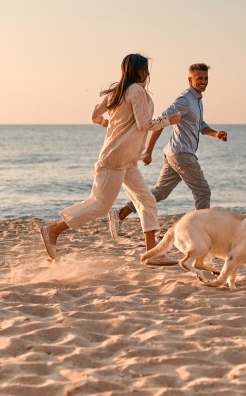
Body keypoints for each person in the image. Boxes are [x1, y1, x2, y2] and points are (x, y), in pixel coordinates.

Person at [39, 53, 181, 265]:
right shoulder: (137, 91)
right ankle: (53, 230)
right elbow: (144, 124)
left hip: (127, 160)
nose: (148, 73)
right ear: (141, 71)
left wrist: (108, 124)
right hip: (115, 159)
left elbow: (95, 115)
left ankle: (153, 253)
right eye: (146, 69)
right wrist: (169, 120)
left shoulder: (118, 91)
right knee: (100, 205)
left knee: (147, 200)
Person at [110, 63, 227, 237]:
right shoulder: (185, 99)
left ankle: (119, 214)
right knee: (203, 191)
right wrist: (148, 151)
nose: (203, 82)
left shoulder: (197, 101)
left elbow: (200, 125)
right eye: (199, 78)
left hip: (174, 153)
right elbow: (161, 121)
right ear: (190, 80)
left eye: (205, 78)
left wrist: (216, 134)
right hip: (182, 154)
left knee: (160, 192)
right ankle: (202, 232)